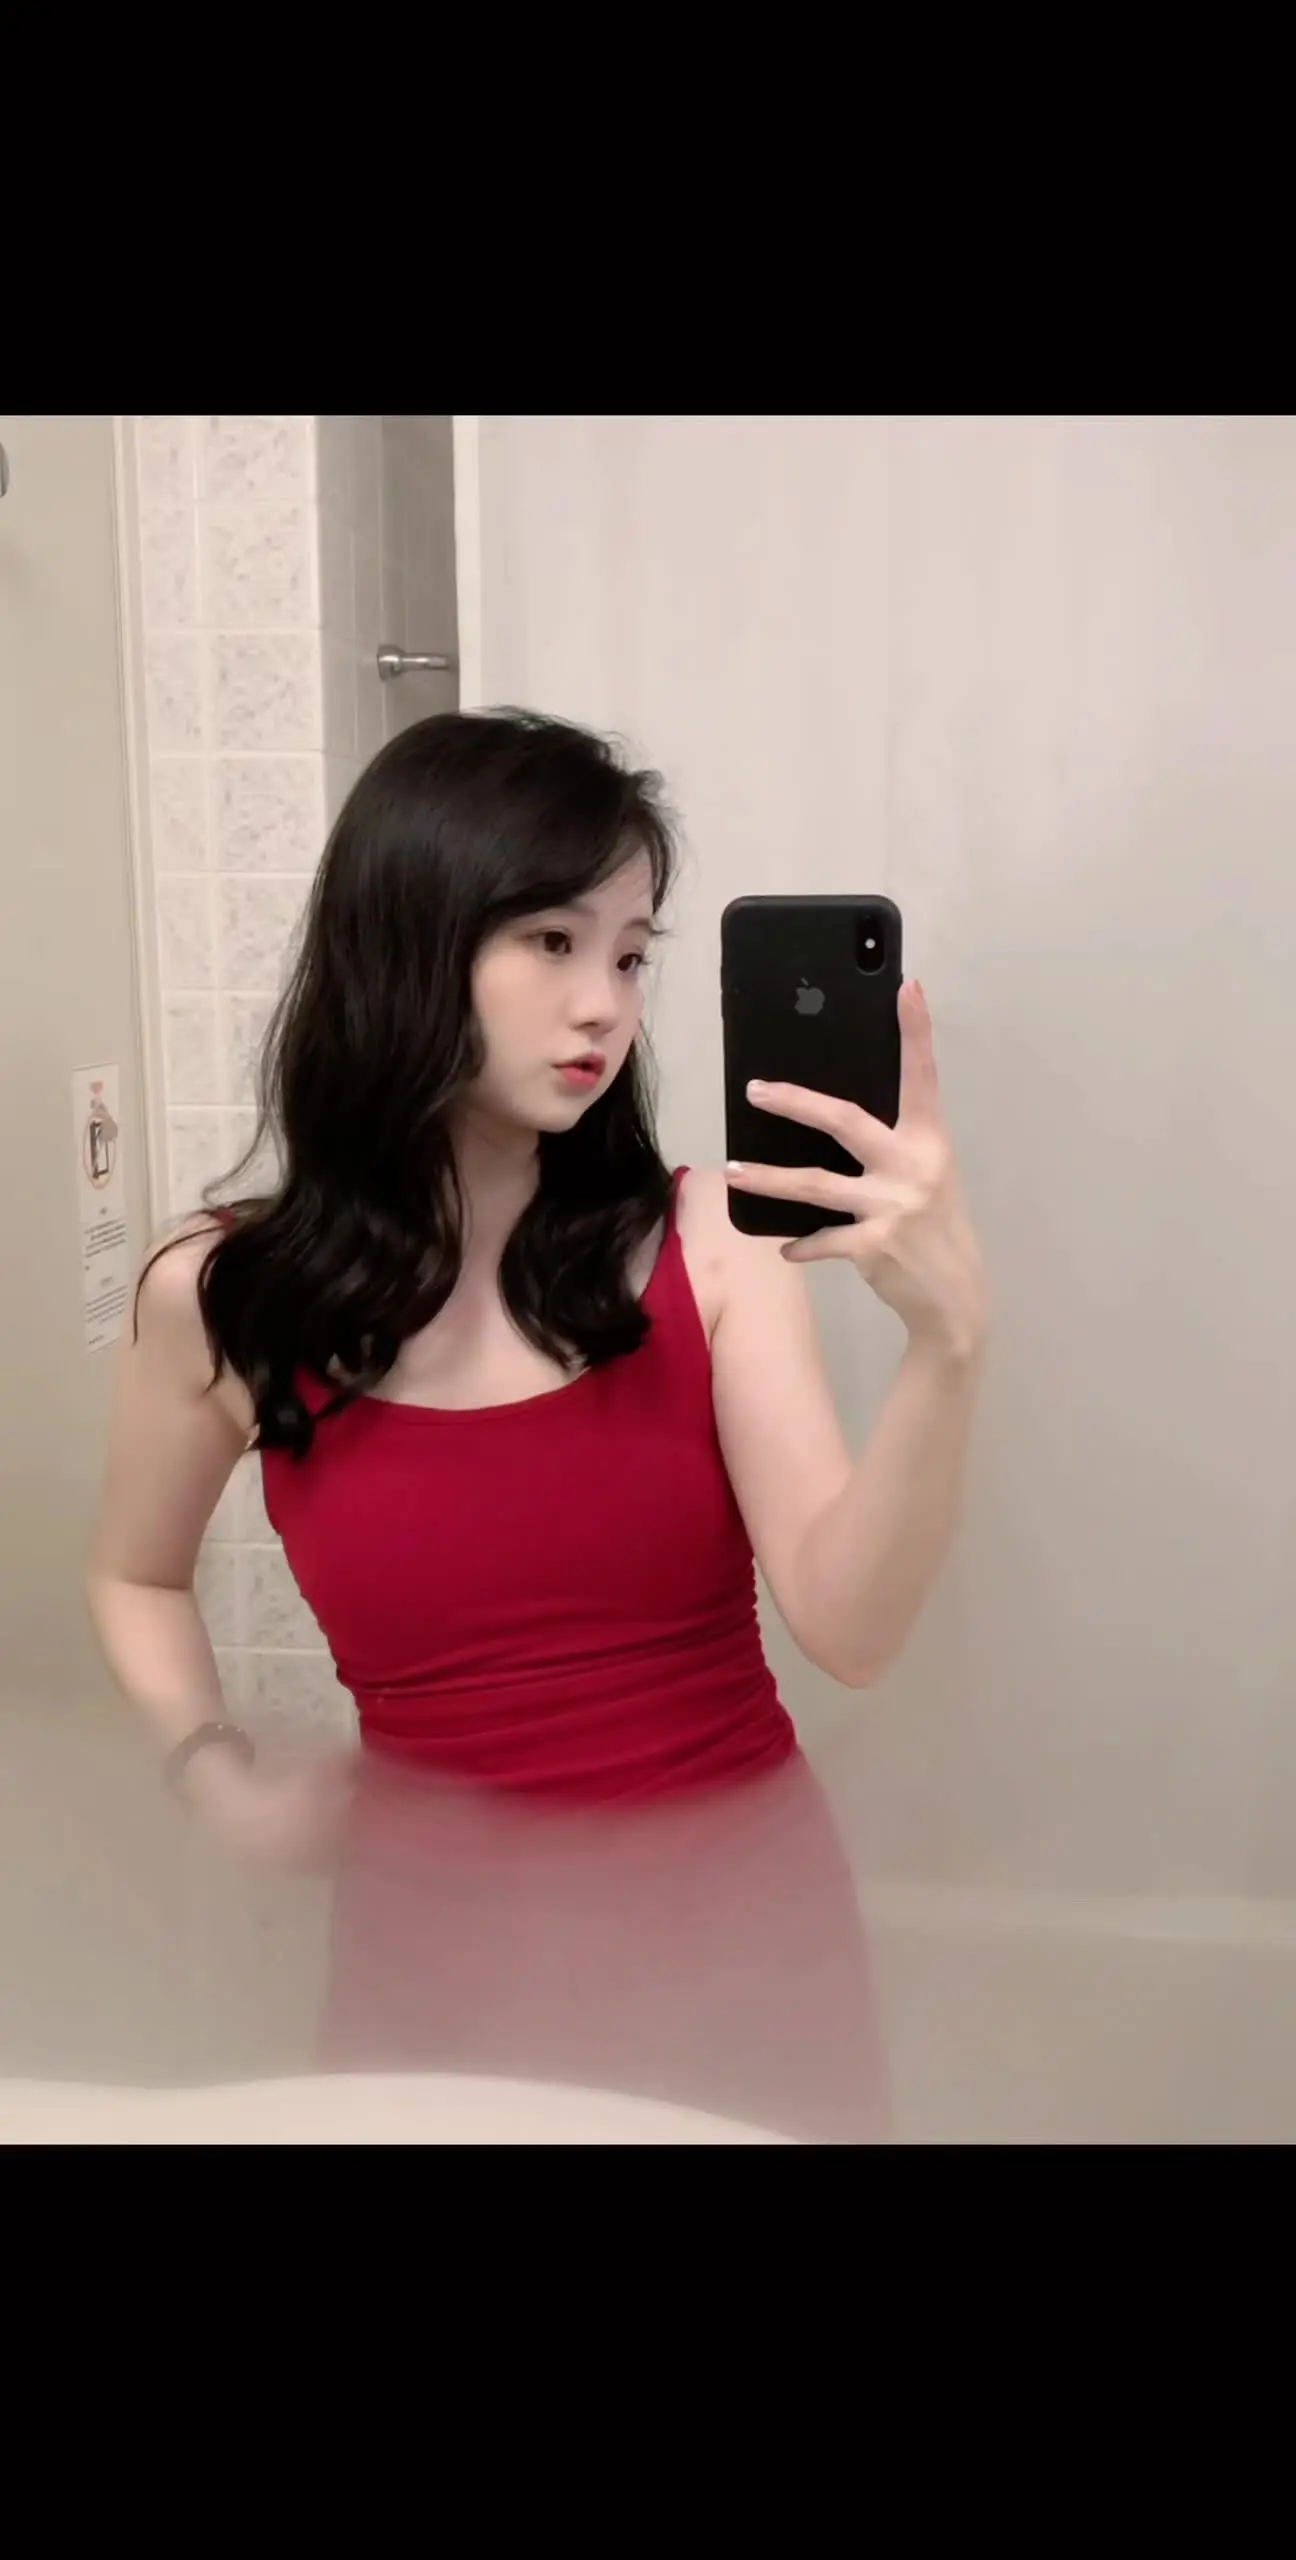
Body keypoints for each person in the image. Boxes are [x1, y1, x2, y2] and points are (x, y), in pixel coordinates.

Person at [86, 709, 989, 2139]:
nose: (604, 1008)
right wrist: (217, 1778)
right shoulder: (224, 1298)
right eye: (552, 942)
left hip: (742, 1949)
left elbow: (852, 1629)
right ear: (408, 939)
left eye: (630, 955)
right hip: (431, 1970)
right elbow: (133, 1574)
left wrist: (949, 1347)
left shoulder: (712, 1244)